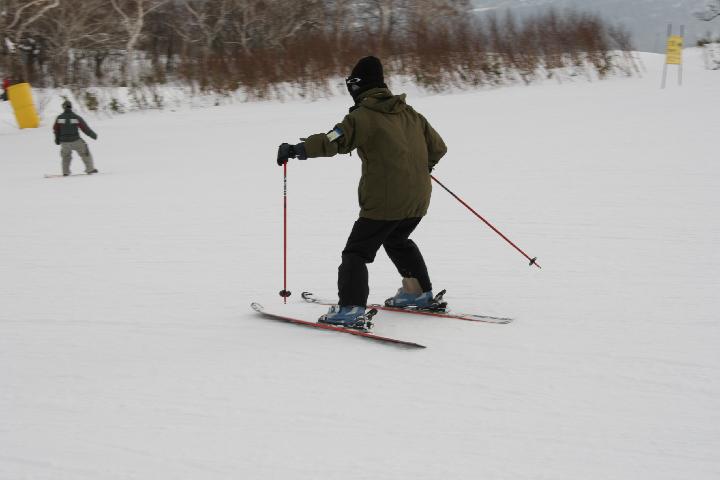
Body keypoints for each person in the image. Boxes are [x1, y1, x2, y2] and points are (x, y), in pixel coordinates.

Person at [276, 56, 447, 328]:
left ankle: (351, 309)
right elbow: (438, 147)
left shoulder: (363, 116)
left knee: (356, 253)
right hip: (418, 197)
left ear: (357, 86)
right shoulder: (410, 113)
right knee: (397, 239)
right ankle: (418, 293)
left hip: (385, 201)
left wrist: (298, 150)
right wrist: (419, 169)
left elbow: (334, 140)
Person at [53, 100, 99, 176]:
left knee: (66, 156)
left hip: (64, 142)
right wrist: (93, 135)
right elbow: (85, 128)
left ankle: (65, 172)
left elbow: (56, 129)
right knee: (85, 152)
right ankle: (90, 169)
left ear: (63, 107)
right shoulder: (76, 117)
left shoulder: (59, 118)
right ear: (71, 107)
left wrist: (57, 139)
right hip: (75, 140)